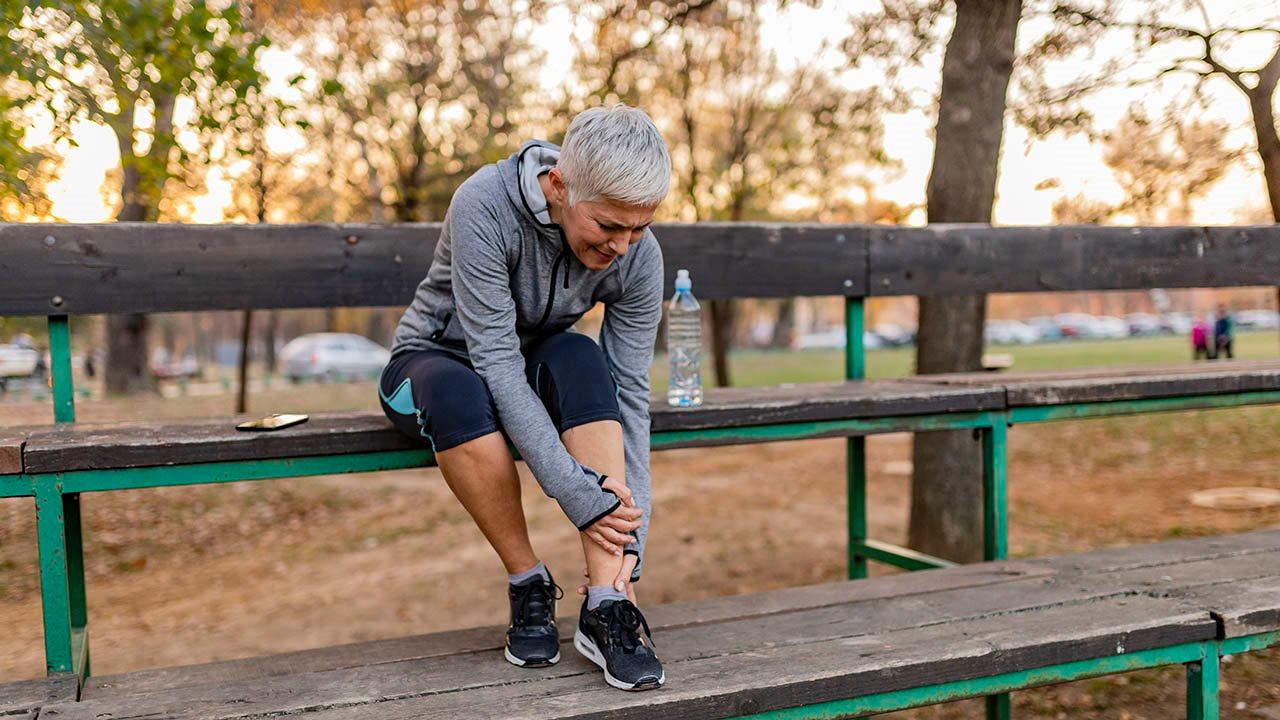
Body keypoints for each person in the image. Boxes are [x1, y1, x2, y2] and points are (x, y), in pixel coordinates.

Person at [379, 105, 668, 691]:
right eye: (609, 226)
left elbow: (630, 389)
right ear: (560, 186)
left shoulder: (639, 255)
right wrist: (578, 495)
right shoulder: (484, 204)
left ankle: (608, 599)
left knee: (583, 359)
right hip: (437, 362)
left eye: (638, 228)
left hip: (531, 366)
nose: (623, 245)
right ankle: (527, 580)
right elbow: (495, 362)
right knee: (462, 396)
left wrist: (632, 536)